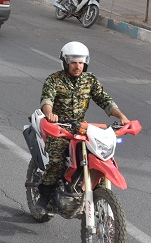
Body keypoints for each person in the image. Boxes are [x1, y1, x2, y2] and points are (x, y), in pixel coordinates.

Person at [33, 41, 130, 216]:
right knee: (57, 160)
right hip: (60, 128)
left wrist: (121, 117)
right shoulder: (54, 79)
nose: (77, 66)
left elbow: (104, 100)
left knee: (99, 155)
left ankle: (92, 191)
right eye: (73, 62)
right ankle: (44, 198)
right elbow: (47, 100)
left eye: (81, 62)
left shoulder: (89, 80)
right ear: (65, 62)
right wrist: (50, 114)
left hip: (81, 128)